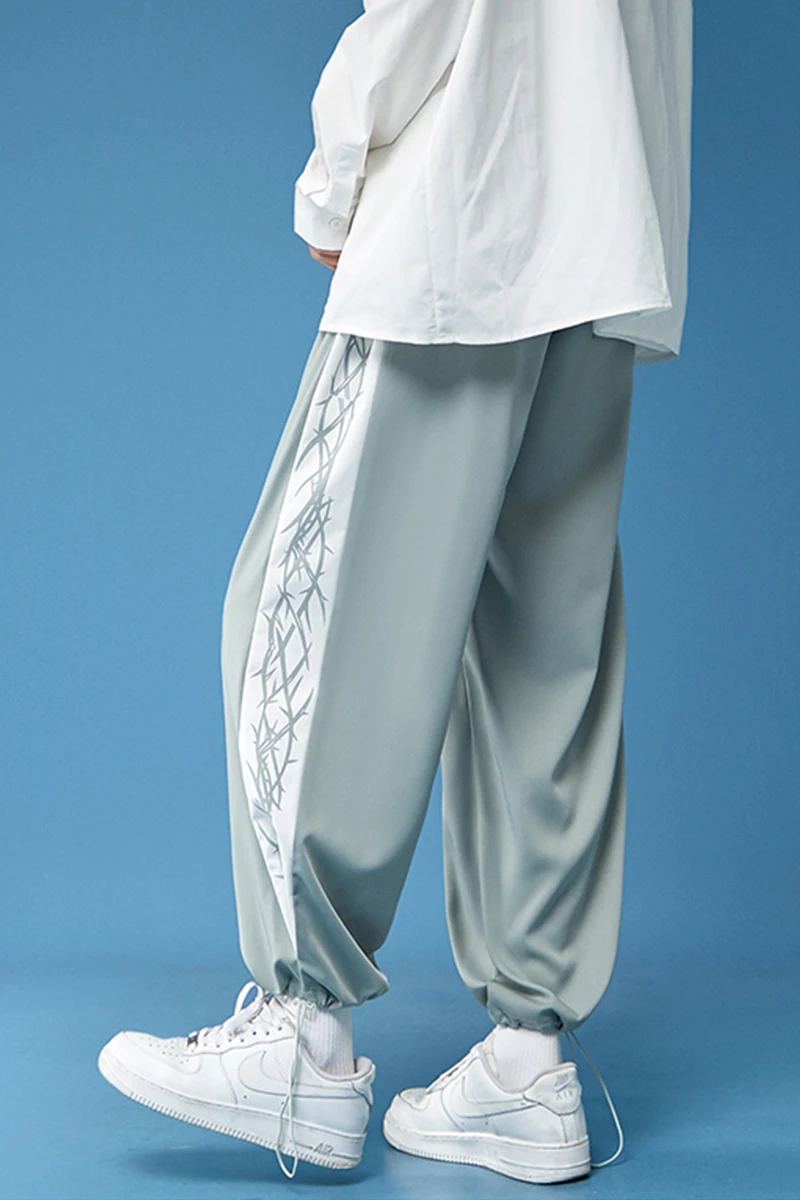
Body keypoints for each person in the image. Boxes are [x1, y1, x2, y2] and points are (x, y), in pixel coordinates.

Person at [97, 0, 693, 1186]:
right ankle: (525, 1068)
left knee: (303, 607)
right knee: (540, 648)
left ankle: (304, 1042)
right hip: (614, 228)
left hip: (468, 208)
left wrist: (335, 173)